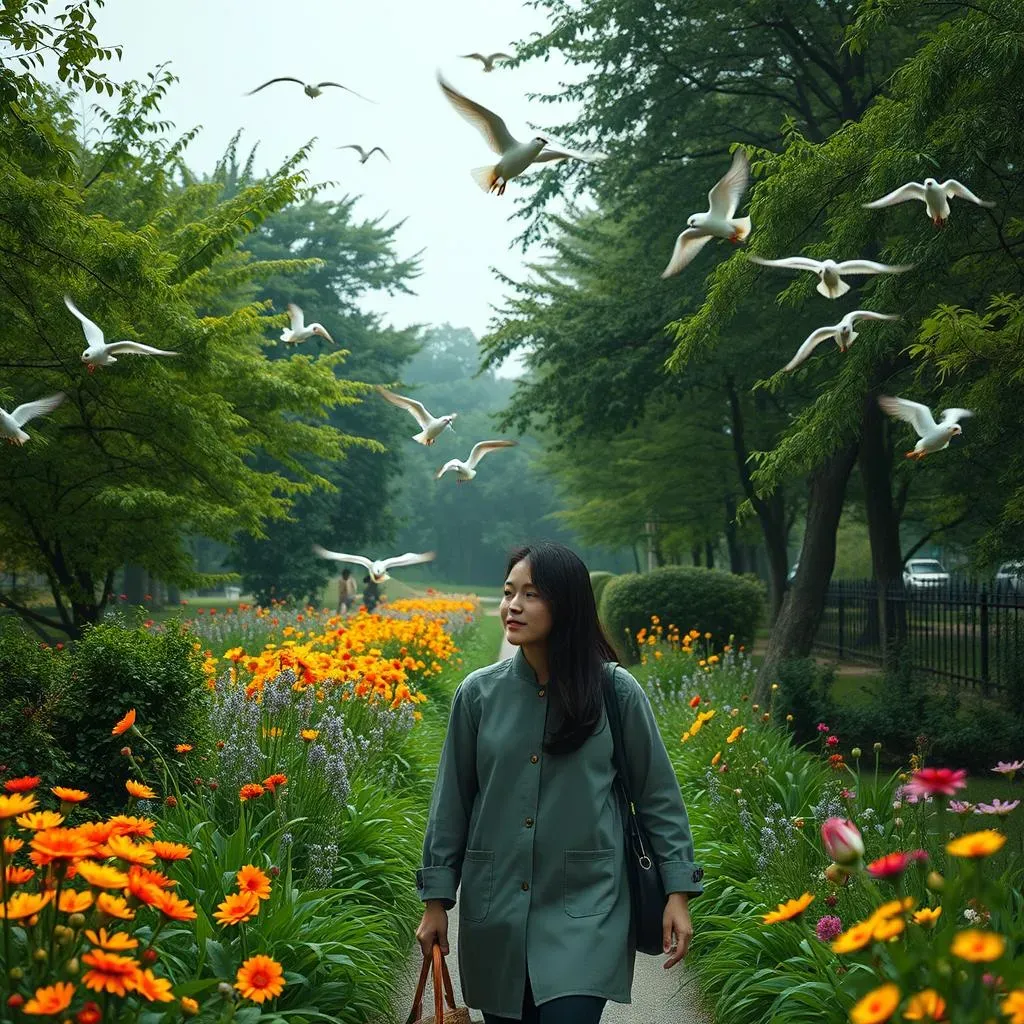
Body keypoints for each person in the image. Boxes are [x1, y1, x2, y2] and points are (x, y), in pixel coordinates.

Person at [414, 541, 703, 1024]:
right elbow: (451, 806)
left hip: (588, 909)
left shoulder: (615, 691)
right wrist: (436, 902)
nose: (513, 606)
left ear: (566, 603)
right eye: (509, 593)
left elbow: (657, 797)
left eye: (531, 594)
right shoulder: (477, 695)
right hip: (496, 912)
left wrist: (678, 892)